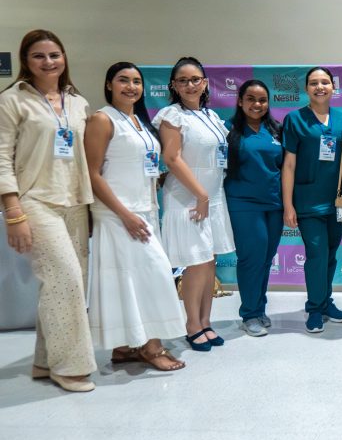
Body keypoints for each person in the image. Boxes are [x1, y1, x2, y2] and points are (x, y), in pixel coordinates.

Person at [0, 29, 97, 392]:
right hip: (35, 201)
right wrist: (13, 212)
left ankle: (44, 360)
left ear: (64, 58)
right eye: (38, 56)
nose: (48, 62)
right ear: (26, 61)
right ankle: (69, 366)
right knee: (64, 281)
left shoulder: (78, 102)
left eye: (54, 55)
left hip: (76, 201)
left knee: (66, 285)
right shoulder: (12, 100)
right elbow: (1, 157)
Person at [85, 62, 186, 370]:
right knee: (152, 275)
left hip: (144, 210)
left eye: (136, 81)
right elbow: (91, 173)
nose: (131, 87)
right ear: (109, 85)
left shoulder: (138, 121)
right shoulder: (102, 119)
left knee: (129, 279)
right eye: (123, 80)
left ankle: (124, 347)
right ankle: (152, 347)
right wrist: (124, 214)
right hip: (118, 214)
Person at [153, 57, 236, 352]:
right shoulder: (171, 115)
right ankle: (192, 325)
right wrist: (200, 195)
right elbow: (172, 158)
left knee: (209, 261)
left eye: (195, 79)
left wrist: (208, 195)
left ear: (205, 83)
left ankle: (206, 321)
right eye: (183, 80)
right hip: (188, 198)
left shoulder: (211, 116)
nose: (190, 85)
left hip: (213, 196)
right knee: (195, 263)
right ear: (174, 85)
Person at [282, 66, 342, 333]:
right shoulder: (295, 119)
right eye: (313, 83)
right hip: (308, 200)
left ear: (333, 87)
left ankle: (325, 302)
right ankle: (314, 308)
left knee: (331, 254)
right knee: (317, 254)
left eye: (325, 82)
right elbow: (288, 165)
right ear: (306, 88)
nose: (320, 87)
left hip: (339, 200)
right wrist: (288, 205)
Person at [224, 80, 284, 337]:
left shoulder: (276, 130)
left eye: (262, 100)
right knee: (251, 258)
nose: (257, 104)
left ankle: (259, 308)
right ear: (240, 101)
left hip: (274, 203)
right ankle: (249, 314)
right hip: (243, 203)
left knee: (267, 258)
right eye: (250, 99)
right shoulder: (228, 129)